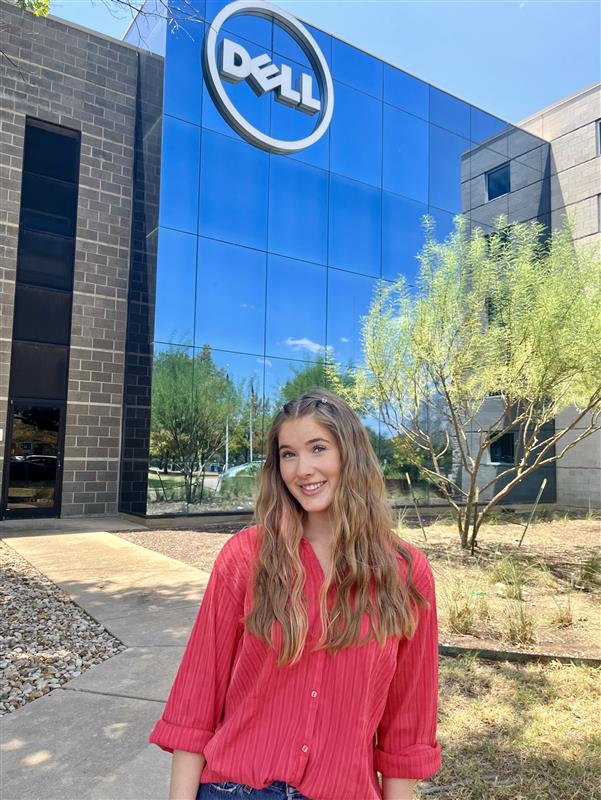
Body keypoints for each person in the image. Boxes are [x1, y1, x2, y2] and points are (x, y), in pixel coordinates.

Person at [148, 389, 441, 800]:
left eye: (318, 448)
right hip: (236, 789)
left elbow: (406, 729)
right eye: (288, 454)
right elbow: (197, 702)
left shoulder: (405, 573)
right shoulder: (245, 556)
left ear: (350, 454)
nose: (303, 469)